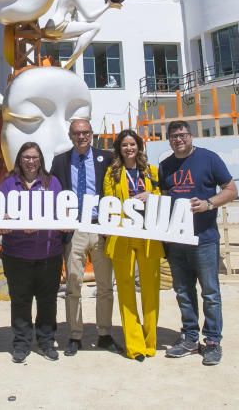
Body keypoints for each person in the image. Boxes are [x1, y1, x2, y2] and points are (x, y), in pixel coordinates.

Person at [159, 120, 238, 366]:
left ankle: (212, 341)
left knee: (210, 293)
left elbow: (231, 189)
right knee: (183, 292)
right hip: (176, 241)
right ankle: (190, 338)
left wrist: (209, 204)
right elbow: (163, 200)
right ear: (169, 139)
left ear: (190, 136)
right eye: (174, 136)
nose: (178, 139)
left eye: (182, 134)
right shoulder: (165, 166)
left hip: (204, 239)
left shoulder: (209, 159)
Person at [50, 118, 119, 356]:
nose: (81, 137)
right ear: (70, 136)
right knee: (73, 284)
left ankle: (104, 333)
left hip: (100, 227)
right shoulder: (60, 161)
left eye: (86, 132)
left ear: (92, 134)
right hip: (74, 230)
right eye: (77, 133)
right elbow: (53, 194)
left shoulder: (107, 158)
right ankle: (75, 335)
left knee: (105, 285)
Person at [0, 142, 65, 363]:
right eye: (26, 157)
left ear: (40, 160)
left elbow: (61, 212)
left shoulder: (52, 183)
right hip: (16, 254)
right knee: (20, 300)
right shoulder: (8, 184)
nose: (31, 161)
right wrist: (5, 221)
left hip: (48, 253)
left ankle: (46, 342)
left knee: (47, 301)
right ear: (20, 159)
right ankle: (21, 343)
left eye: (35, 157)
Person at [102, 129, 163, 361]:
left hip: (149, 237)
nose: (129, 148)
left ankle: (150, 342)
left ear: (139, 147)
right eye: (125, 145)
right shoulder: (112, 173)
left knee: (151, 291)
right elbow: (108, 201)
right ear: (119, 148)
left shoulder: (151, 171)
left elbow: (162, 195)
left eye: (133, 144)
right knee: (126, 291)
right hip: (122, 236)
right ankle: (134, 345)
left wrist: (152, 196)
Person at [42, 0, 112, 70]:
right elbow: (89, 17)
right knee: (96, 26)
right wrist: (107, 6)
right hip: (57, 24)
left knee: (93, 27)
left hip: (55, 26)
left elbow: (82, 21)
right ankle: (69, 62)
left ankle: (68, 63)